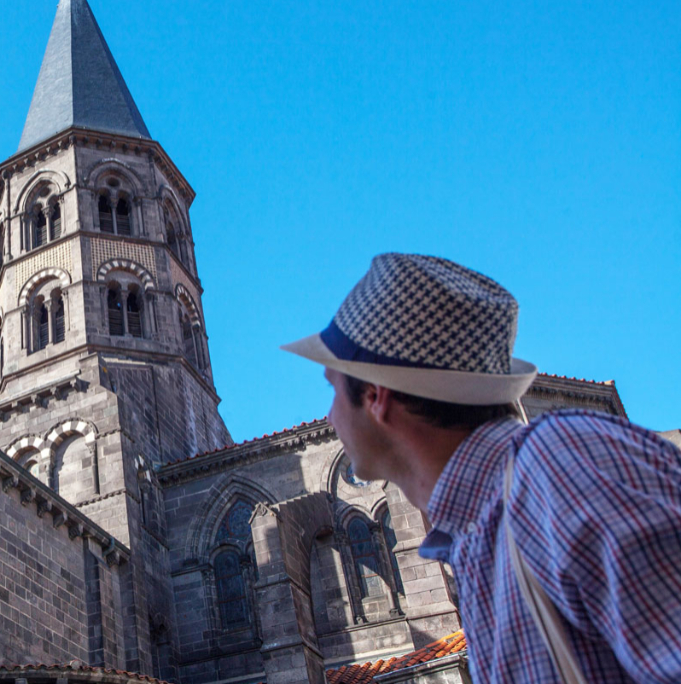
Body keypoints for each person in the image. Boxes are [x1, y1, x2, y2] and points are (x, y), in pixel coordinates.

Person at [281, 253, 681, 683]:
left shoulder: (559, 464)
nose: (329, 416)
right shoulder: (480, 534)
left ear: (376, 397)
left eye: (332, 388)